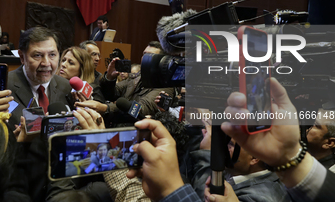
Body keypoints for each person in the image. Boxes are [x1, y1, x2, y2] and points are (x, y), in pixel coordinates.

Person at [127, 78, 335, 202]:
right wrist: (289, 157)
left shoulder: (265, 196)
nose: (224, 144)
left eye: (230, 143)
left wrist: (169, 189)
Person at [7, 27, 72, 128]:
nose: (46, 63)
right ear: (22, 57)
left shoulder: (66, 87)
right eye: (37, 55)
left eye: (52, 55)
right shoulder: (4, 87)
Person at [100, 41, 175, 124]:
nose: (144, 58)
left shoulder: (165, 85)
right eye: (144, 54)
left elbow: (140, 109)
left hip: (141, 130)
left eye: (150, 55)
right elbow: (111, 94)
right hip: (121, 124)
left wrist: (105, 108)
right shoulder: (136, 77)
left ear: (161, 61)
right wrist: (110, 77)